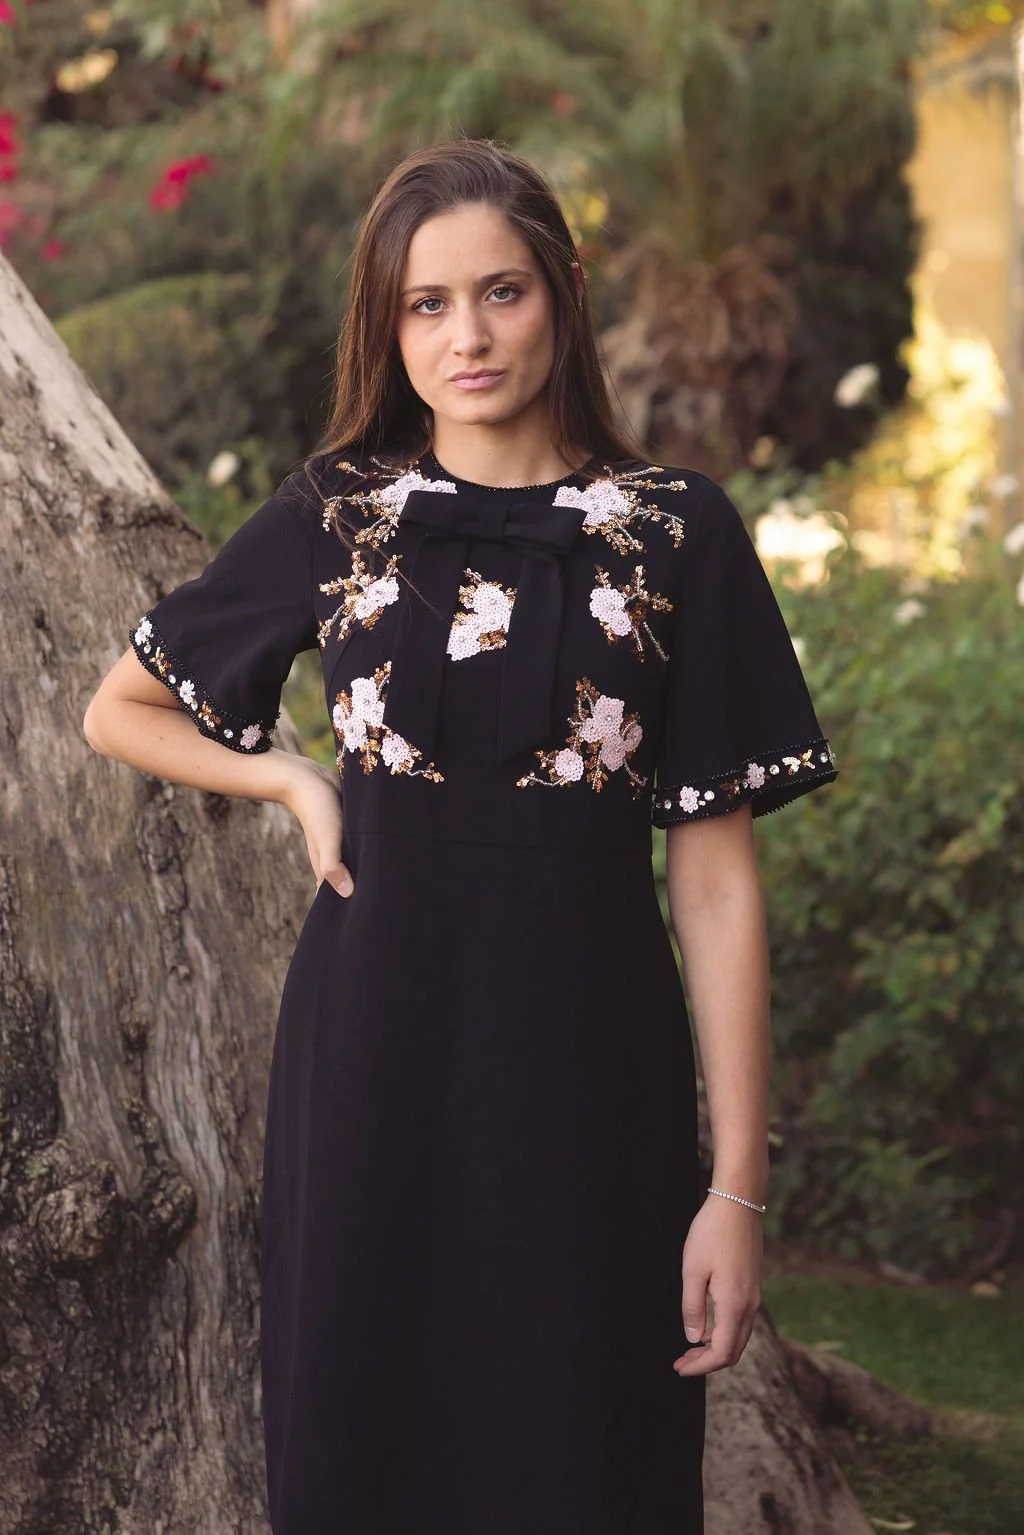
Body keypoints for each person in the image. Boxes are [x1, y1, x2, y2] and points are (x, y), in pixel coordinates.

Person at [83, 137, 838, 1534]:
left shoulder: (678, 532)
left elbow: (720, 881)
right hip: (373, 1059)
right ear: (389, 324)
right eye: (428, 304)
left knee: (590, 1451)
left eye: (501, 292)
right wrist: (297, 782)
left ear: (562, 292)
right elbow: (121, 708)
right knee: (364, 1450)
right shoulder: (341, 512)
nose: (469, 335)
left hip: (589, 1072)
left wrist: (738, 1184)